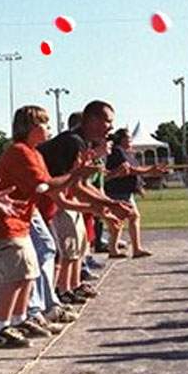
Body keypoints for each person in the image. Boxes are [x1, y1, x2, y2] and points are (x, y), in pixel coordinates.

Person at [0, 106, 98, 348]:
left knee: (27, 274)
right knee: (14, 277)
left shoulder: (34, 153)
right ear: (30, 129)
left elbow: (49, 186)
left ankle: (20, 319)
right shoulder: (19, 152)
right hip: (4, 222)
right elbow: (41, 187)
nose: (49, 128)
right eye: (44, 124)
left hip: (20, 221)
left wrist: (75, 176)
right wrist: (75, 175)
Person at [37, 100, 135, 304]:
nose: (110, 127)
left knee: (77, 247)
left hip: (60, 200)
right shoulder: (73, 142)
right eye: (107, 121)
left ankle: (68, 288)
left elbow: (80, 183)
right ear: (92, 120)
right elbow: (75, 185)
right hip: (48, 202)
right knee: (58, 252)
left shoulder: (82, 142)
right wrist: (109, 205)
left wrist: (108, 203)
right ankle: (57, 294)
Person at [104, 128, 165, 258]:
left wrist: (139, 187)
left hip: (126, 192)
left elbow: (134, 172)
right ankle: (116, 249)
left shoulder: (128, 153)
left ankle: (131, 248)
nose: (131, 141)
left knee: (130, 218)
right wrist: (150, 170)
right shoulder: (117, 151)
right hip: (117, 192)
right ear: (121, 139)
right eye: (128, 138)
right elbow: (130, 170)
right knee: (120, 220)